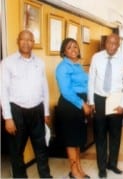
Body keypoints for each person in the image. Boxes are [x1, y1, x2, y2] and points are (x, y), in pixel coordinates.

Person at [1, 30, 52, 178]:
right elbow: (3, 90)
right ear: (18, 41)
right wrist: (8, 118)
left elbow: (45, 88)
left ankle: (45, 175)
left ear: (33, 43)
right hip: (16, 111)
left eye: (29, 40)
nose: (26, 42)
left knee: (41, 147)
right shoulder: (7, 63)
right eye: (23, 39)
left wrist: (46, 112)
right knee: (16, 150)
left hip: (37, 110)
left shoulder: (40, 63)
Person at [88, 34, 123, 178]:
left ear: (118, 45)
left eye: (115, 44)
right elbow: (91, 81)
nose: (112, 46)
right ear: (105, 43)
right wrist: (91, 102)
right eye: (109, 43)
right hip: (99, 99)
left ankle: (112, 164)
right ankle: (102, 167)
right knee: (100, 136)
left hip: (116, 100)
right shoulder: (96, 57)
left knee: (115, 135)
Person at [55, 38, 91, 178]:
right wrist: (82, 104)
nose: (73, 50)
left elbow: (85, 85)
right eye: (69, 47)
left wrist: (88, 101)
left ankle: (79, 168)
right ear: (64, 51)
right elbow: (66, 91)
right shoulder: (62, 67)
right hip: (69, 105)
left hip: (80, 103)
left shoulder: (77, 65)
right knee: (71, 139)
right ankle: (74, 171)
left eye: (75, 47)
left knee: (77, 139)